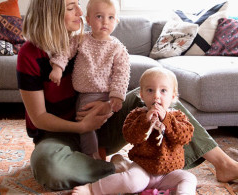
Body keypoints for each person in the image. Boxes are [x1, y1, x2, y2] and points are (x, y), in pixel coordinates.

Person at [16, 0, 238, 191]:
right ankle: (118, 168)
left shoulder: (85, 40)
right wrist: (81, 125)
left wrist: (108, 106)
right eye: (71, 7)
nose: (81, 13)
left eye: (79, 5)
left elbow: (112, 82)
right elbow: (39, 117)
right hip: (58, 135)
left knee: (157, 94)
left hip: (102, 125)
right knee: (48, 168)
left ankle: (223, 163)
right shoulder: (30, 54)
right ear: (50, 10)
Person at [72, 67, 197, 195]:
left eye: (163, 91)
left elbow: (184, 137)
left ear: (173, 96)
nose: (156, 96)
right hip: (142, 169)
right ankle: (92, 189)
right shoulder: (137, 115)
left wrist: (166, 119)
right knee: (131, 182)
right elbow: (130, 136)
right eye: (150, 90)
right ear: (142, 95)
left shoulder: (178, 117)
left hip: (169, 173)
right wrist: (145, 121)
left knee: (189, 178)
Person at [48, 0, 130, 159]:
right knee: (85, 123)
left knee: (88, 122)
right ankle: (92, 152)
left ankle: (93, 153)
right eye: (99, 16)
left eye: (110, 17)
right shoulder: (80, 39)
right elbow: (65, 51)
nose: (105, 22)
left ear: (116, 21)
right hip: (85, 94)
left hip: (106, 94)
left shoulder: (117, 48)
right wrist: (57, 67)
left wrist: (117, 96)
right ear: (88, 20)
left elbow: (121, 73)